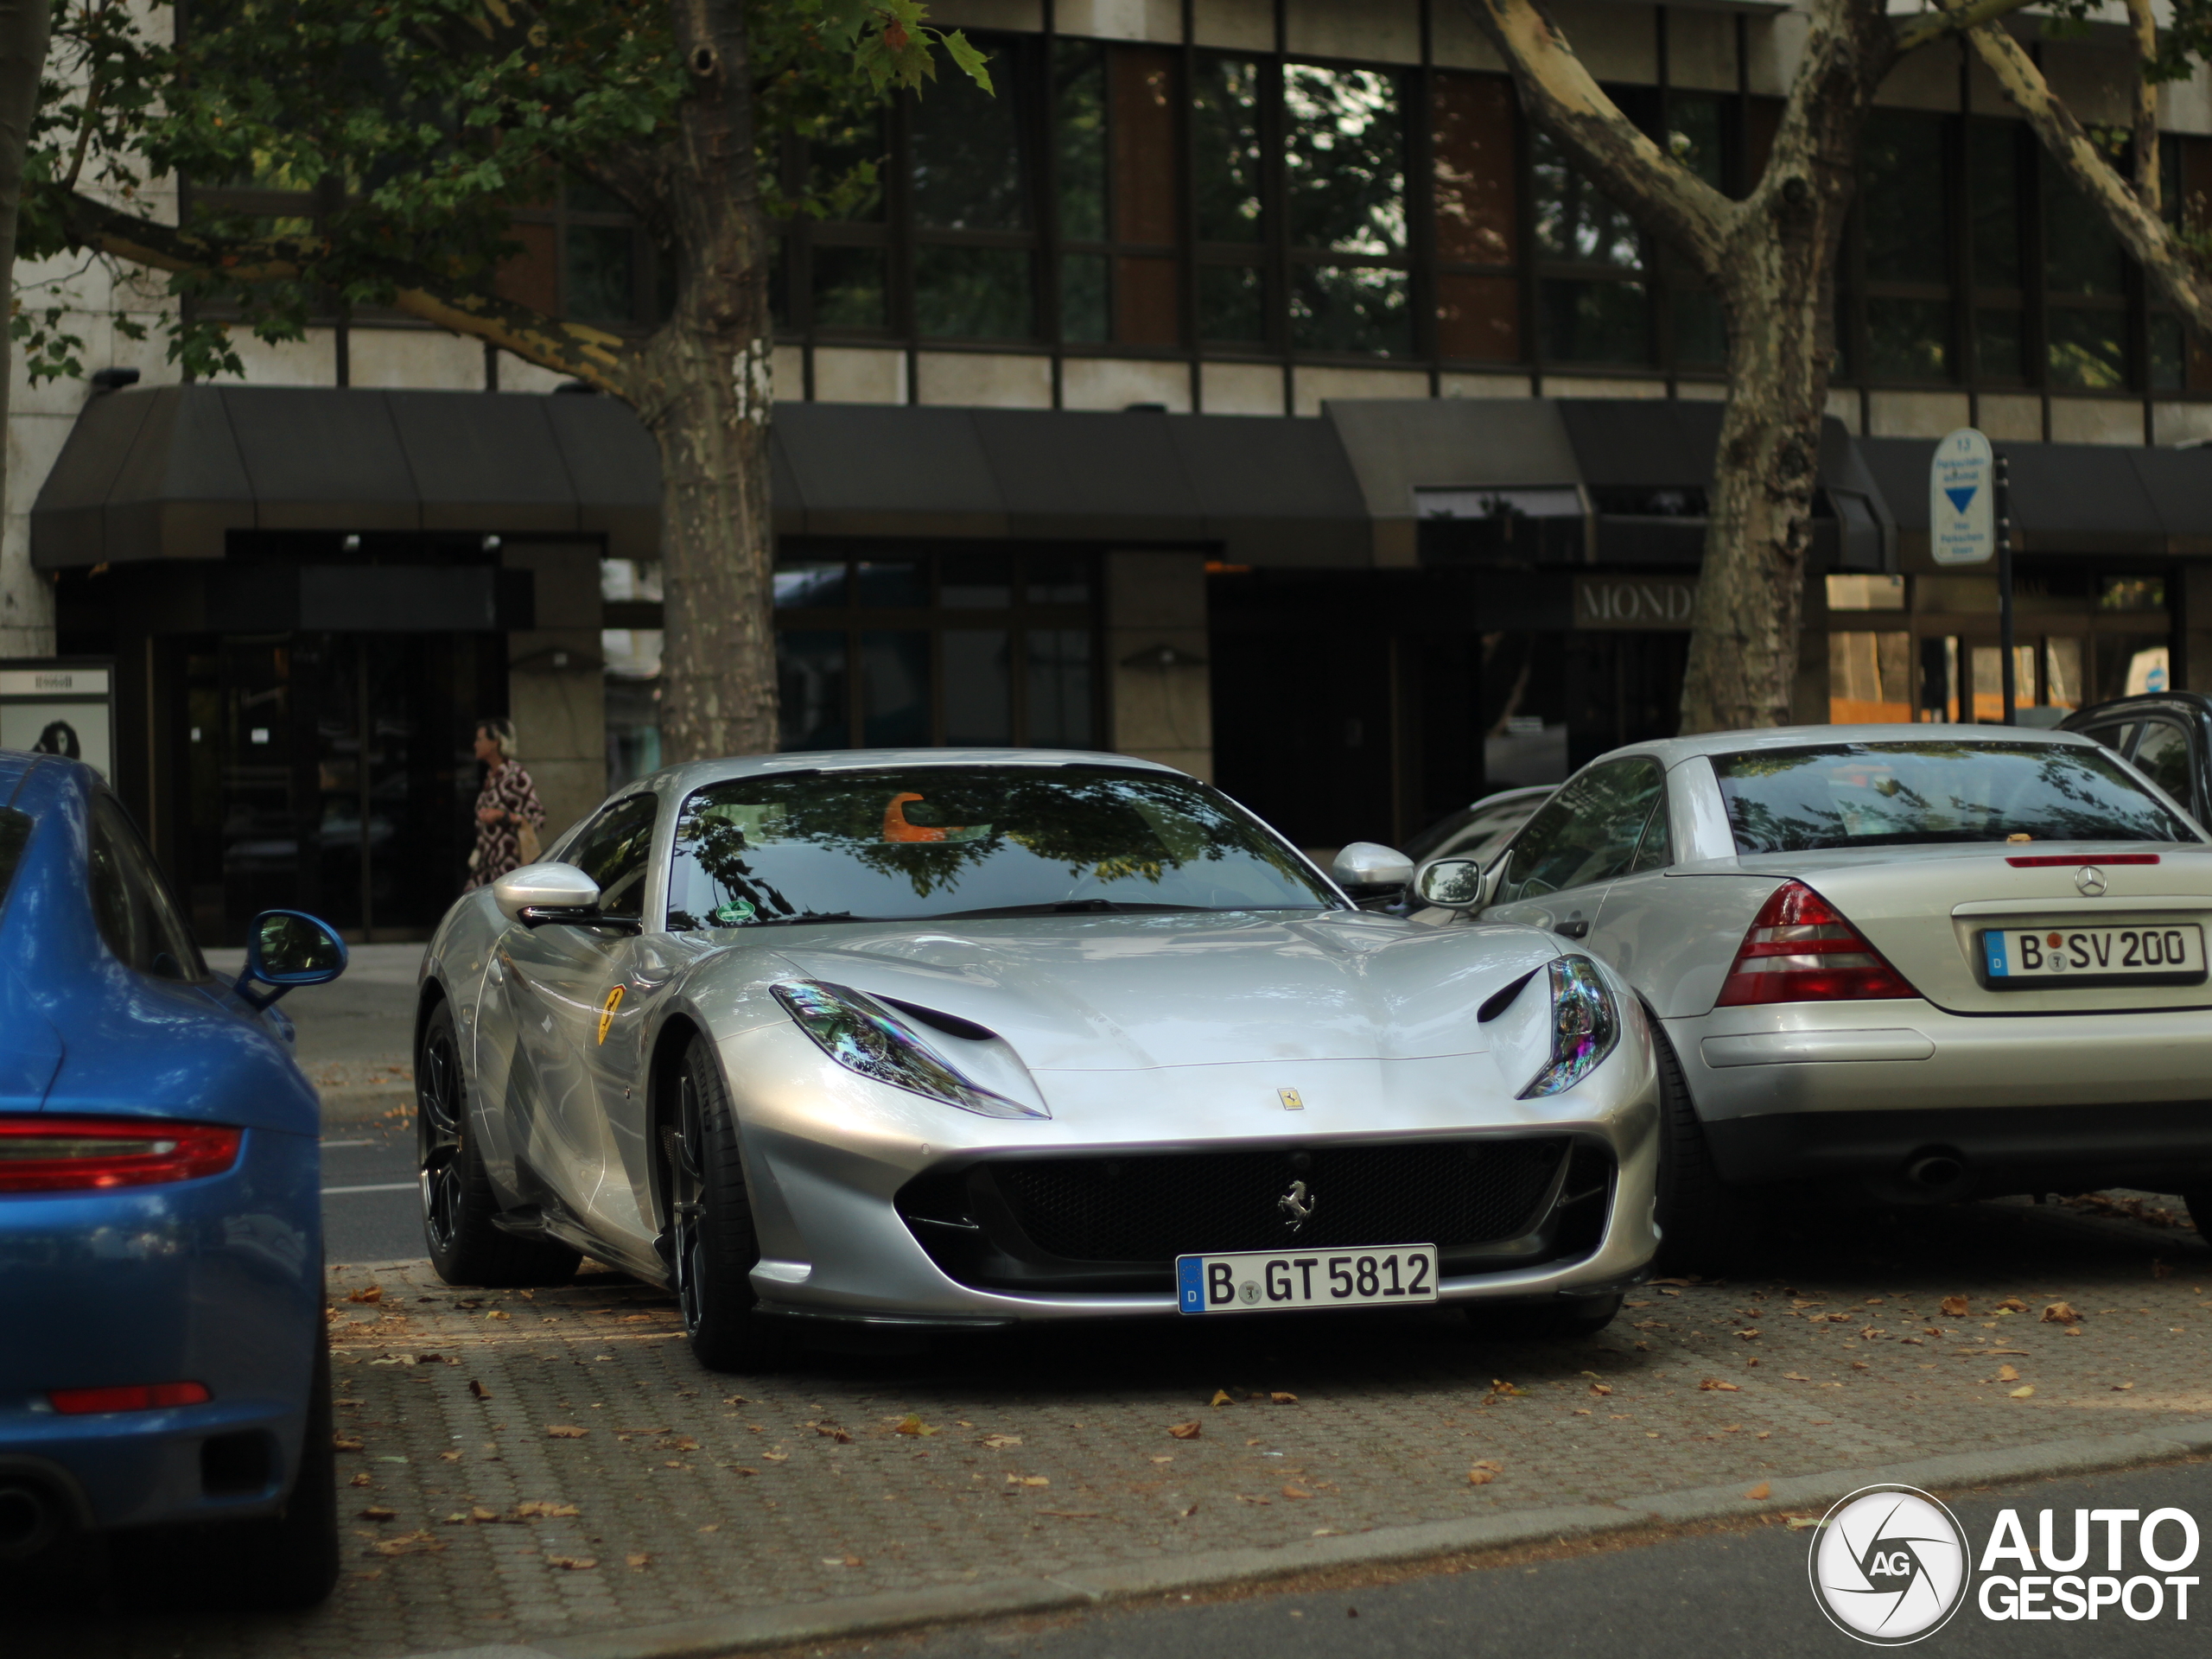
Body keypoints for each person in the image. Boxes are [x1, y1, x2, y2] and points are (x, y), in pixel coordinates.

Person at [464, 718, 545, 891]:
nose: (475, 745)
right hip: (487, 869)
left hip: (510, 871)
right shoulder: (491, 776)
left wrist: (502, 815)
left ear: (495, 743)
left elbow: (537, 817)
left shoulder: (515, 775)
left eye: (480, 740)